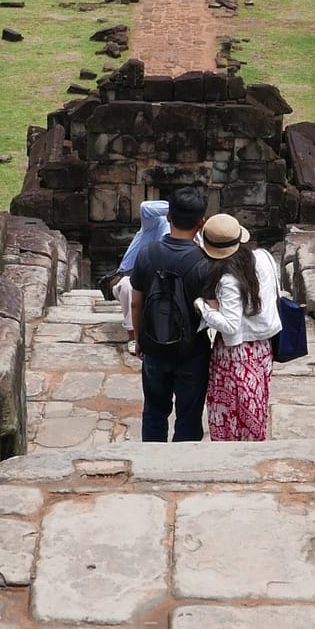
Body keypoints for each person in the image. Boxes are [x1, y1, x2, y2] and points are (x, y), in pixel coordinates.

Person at [129, 185, 215, 442]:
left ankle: (151, 461)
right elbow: (212, 309)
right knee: (189, 414)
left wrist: (139, 339)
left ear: (168, 217)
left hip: (154, 345)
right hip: (192, 351)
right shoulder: (204, 262)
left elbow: (136, 302)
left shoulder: (147, 254)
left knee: (154, 410)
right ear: (201, 222)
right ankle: (182, 467)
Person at [195, 212, 281, 443]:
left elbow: (230, 326)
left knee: (229, 414)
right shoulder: (264, 258)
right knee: (254, 407)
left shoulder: (228, 280)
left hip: (235, 355)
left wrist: (203, 307)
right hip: (263, 348)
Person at [113, 196, 169, 317]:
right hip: (130, 277)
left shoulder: (192, 237)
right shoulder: (157, 223)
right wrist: (179, 209)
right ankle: (132, 332)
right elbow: (146, 207)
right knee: (127, 286)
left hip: (158, 284)